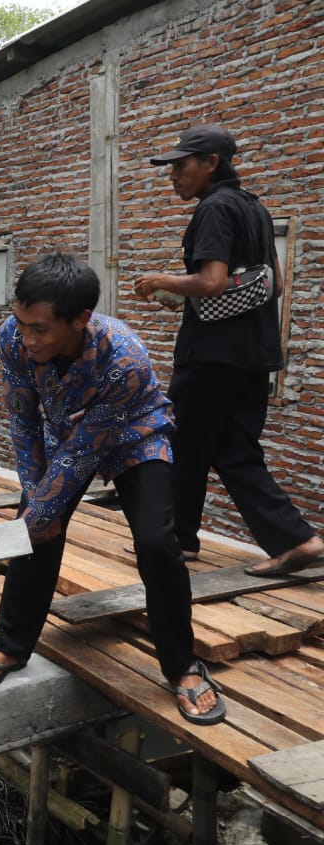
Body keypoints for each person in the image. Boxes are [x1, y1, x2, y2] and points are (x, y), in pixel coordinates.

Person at [0, 253, 224, 725]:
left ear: (81, 320)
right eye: (22, 323)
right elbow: (22, 418)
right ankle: (11, 646)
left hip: (135, 434)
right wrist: (36, 507)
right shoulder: (13, 338)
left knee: (157, 543)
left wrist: (44, 509)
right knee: (33, 531)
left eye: (41, 329)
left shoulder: (123, 359)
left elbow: (88, 448)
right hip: (65, 431)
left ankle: (181, 666)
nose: (29, 338)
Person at [134, 125, 322, 577]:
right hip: (254, 353)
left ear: (211, 163)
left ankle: (176, 541)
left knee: (179, 442)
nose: (173, 175)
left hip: (212, 356)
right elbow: (273, 283)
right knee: (233, 448)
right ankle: (296, 540)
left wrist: (160, 281)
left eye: (181, 166)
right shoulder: (254, 207)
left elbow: (213, 282)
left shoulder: (214, 208)